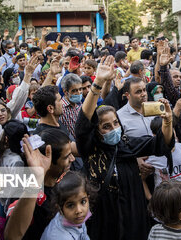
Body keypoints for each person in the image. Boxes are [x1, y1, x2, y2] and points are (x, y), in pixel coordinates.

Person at [75, 55, 174, 240]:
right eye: (106, 126)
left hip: (133, 222)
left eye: (115, 124)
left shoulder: (126, 145)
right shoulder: (91, 150)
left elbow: (161, 144)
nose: (114, 129)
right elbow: (82, 124)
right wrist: (97, 83)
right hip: (104, 224)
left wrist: (168, 123)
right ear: (96, 131)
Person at [4, 128, 75, 239]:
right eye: (66, 157)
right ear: (49, 162)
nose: (73, 159)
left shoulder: (65, 183)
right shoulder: (25, 190)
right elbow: (12, 236)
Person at [40, 171, 97, 240]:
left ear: (88, 197)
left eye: (83, 202)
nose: (79, 210)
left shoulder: (75, 219)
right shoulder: (60, 237)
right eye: (70, 206)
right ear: (59, 208)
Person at [59, 73, 83, 139]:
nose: (78, 93)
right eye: (74, 90)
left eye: (80, 89)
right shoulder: (61, 108)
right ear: (65, 92)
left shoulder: (80, 104)